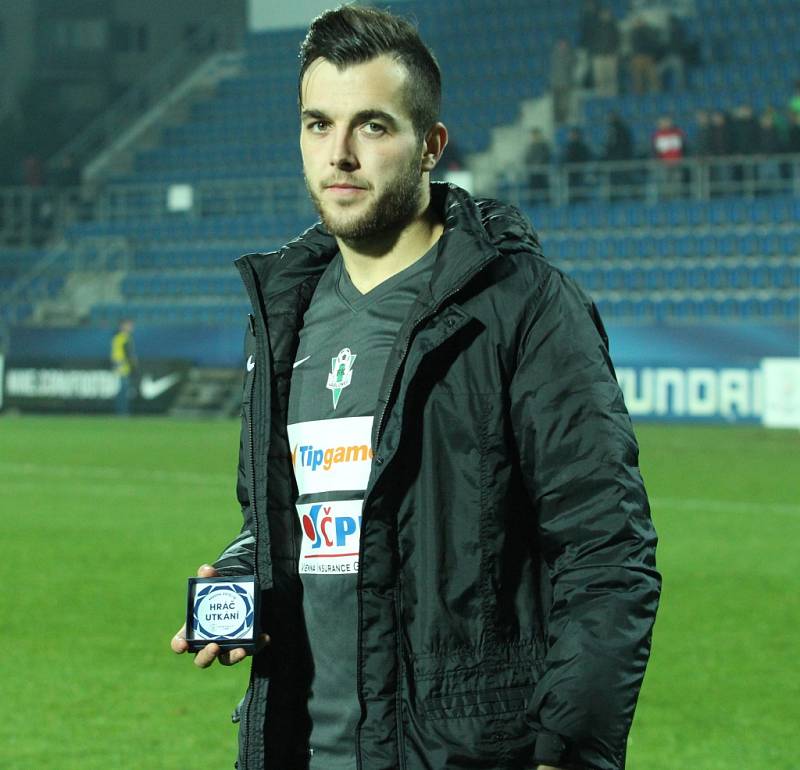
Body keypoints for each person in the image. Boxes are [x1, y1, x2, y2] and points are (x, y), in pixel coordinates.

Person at [171, 7, 660, 770]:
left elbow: (607, 554)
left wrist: (566, 752)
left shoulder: (520, 306)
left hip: (458, 751)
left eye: (371, 126)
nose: (338, 154)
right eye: (316, 123)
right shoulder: (283, 315)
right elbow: (288, 517)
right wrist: (243, 573)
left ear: (431, 145)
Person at [587, 7, 621, 97]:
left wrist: (614, 52)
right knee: (599, 78)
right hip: (598, 55)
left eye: (607, 13)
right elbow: (591, 40)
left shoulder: (613, 26)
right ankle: (601, 95)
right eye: (604, 13)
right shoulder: (595, 27)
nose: (605, 15)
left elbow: (617, 40)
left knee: (611, 77)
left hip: (610, 55)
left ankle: (612, 95)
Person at [110, 318, 137, 415]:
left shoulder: (127, 338)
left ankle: (123, 412)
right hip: (121, 369)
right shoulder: (119, 338)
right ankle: (122, 412)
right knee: (122, 391)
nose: (131, 327)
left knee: (124, 391)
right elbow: (116, 355)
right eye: (129, 325)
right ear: (122, 326)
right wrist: (118, 365)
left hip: (126, 368)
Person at [549, 38, 576, 124]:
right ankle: (557, 120)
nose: (562, 46)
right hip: (556, 83)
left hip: (566, 83)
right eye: (561, 44)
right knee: (556, 103)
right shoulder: (554, 55)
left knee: (564, 103)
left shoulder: (570, 54)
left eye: (564, 44)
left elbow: (572, 63)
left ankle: (563, 120)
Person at [524, 127, 553, 202]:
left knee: (545, 189)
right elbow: (527, 159)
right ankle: (533, 204)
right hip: (533, 171)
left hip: (542, 171)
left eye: (536, 134)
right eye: (533, 135)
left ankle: (547, 204)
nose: (535, 137)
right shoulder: (530, 147)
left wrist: (539, 163)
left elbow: (547, 156)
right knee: (533, 189)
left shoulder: (544, 146)